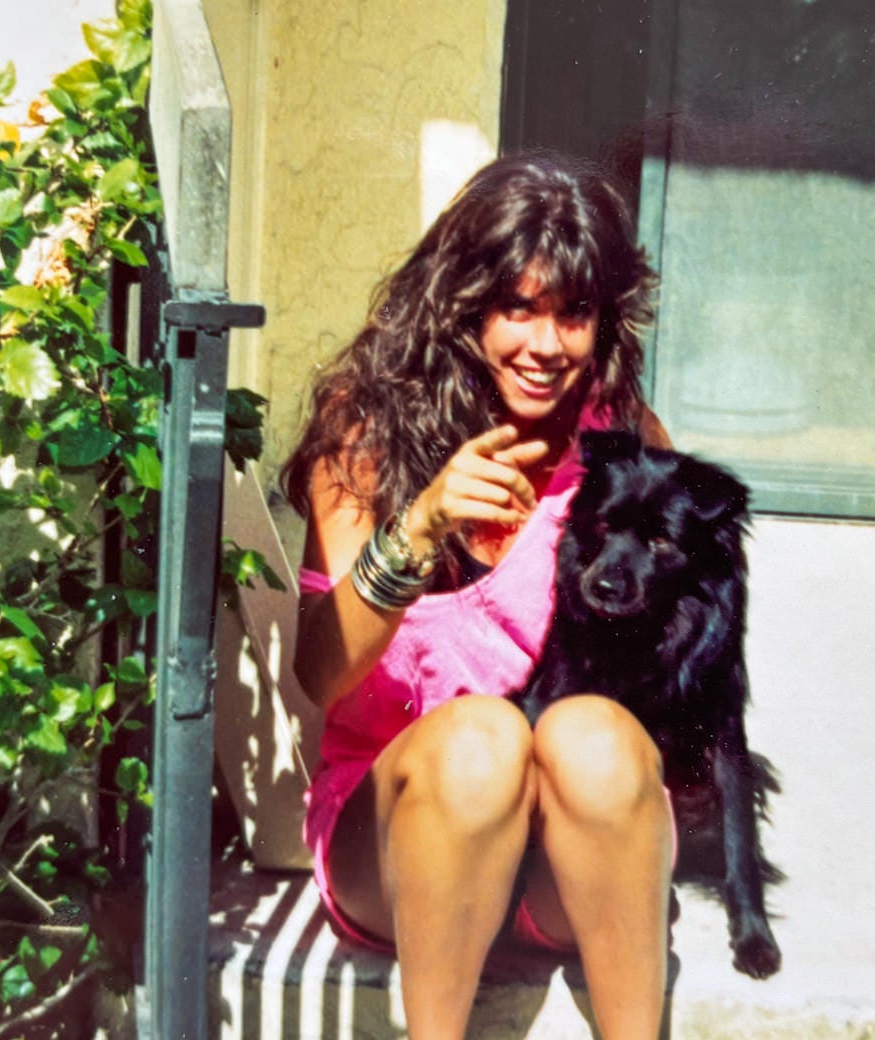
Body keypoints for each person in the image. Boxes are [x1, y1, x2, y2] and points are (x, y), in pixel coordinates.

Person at [281, 153, 676, 1040]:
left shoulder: (623, 443)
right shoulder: (368, 432)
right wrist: (417, 527)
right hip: (399, 850)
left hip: (565, 869)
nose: (547, 345)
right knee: (480, 740)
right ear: (463, 305)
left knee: (591, 736)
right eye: (519, 307)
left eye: (574, 313)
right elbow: (320, 676)